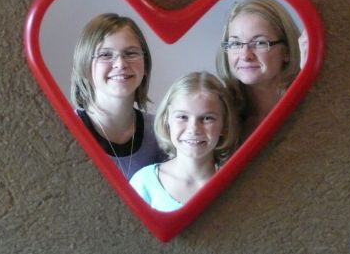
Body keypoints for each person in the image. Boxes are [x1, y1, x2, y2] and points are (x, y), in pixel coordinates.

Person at [71, 13, 166, 180]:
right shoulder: (69, 131)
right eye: (106, 55)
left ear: (145, 63)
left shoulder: (161, 131)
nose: (121, 64)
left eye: (131, 53)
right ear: (84, 63)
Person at [130, 72, 237, 212]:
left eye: (207, 118)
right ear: (166, 120)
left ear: (224, 125)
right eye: (182, 117)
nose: (193, 129)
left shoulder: (235, 184)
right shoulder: (143, 183)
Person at [216, 0, 301, 138]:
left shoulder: (308, 107)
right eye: (235, 44)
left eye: (259, 43)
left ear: (286, 51)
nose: (245, 55)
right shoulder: (220, 115)